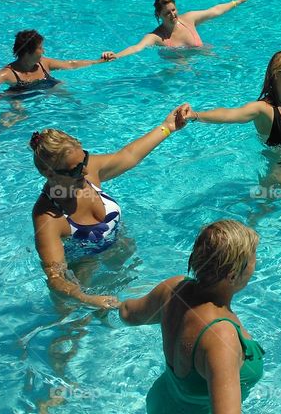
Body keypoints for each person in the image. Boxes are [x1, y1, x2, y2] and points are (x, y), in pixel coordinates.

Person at [29, 106, 189, 309]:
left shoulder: (87, 172)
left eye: (84, 159)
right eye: (76, 169)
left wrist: (167, 127)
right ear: (49, 173)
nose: (85, 169)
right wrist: (87, 300)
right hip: (86, 281)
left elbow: (129, 155)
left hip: (122, 257)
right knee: (75, 333)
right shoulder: (48, 218)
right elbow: (56, 277)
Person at [117, 220, 263, 414]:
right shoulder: (221, 337)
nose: (255, 265)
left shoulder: (174, 289)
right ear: (233, 276)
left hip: (161, 402)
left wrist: (104, 304)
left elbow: (127, 313)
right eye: (254, 261)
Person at [0, 29, 105, 103]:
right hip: (19, 94)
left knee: (73, 97)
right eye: (40, 48)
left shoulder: (44, 63)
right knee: (13, 117)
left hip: (45, 87)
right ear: (28, 52)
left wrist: (99, 61)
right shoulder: (9, 73)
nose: (43, 50)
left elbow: (71, 64)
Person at [105, 0, 250, 60]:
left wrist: (238, 1)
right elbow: (136, 47)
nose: (173, 15)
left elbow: (215, 10)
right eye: (167, 13)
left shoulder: (189, 19)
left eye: (174, 10)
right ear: (159, 15)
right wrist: (116, 55)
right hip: (177, 66)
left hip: (202, 54)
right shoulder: (156, 37)